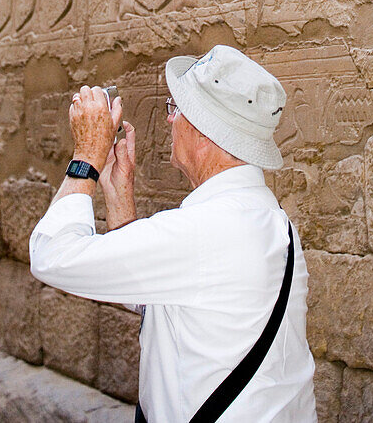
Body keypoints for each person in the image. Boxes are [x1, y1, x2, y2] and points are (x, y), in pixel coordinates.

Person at [30, 44, 317, 422]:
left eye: (176, 109)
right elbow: (159, 297)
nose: (169, 120)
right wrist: (120, 196)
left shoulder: (206, 231)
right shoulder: (270, 220)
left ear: (202, 131)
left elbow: (53, 256)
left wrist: (86, 157)